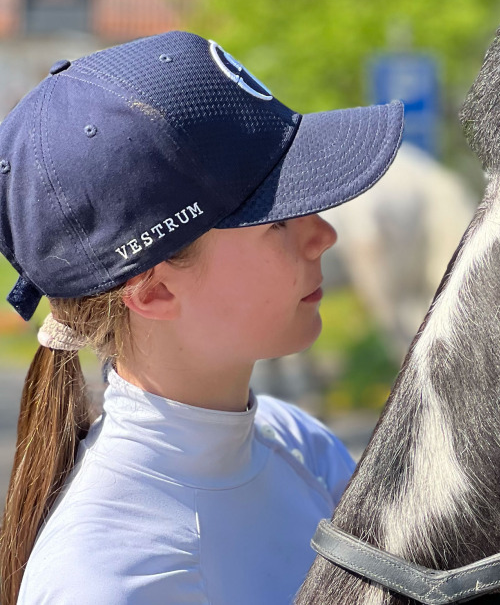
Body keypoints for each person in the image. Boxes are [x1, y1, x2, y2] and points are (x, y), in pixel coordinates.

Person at [0, 31, 403, 604]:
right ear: (155, 292)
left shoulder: (304, 446)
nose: (324, 234)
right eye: (277, 221)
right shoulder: (110, 579)